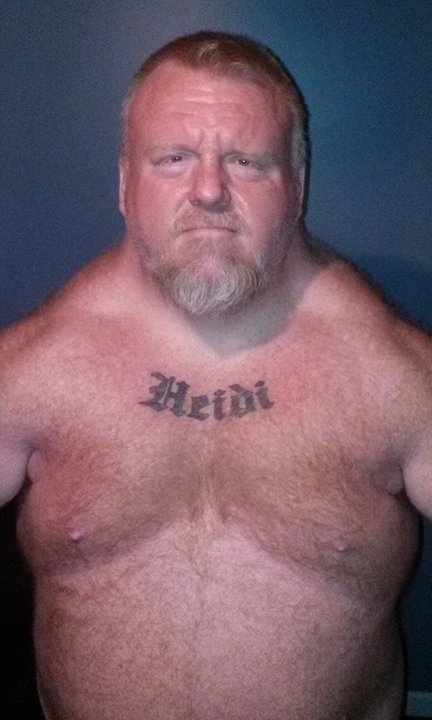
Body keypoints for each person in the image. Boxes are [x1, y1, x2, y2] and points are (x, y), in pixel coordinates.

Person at [0, 30, 431, 720]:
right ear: (123, 183)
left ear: (298, 185)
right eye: (173, 158)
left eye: (246, 162)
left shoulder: (396, 376)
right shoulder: (33, 369)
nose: (208, 191)